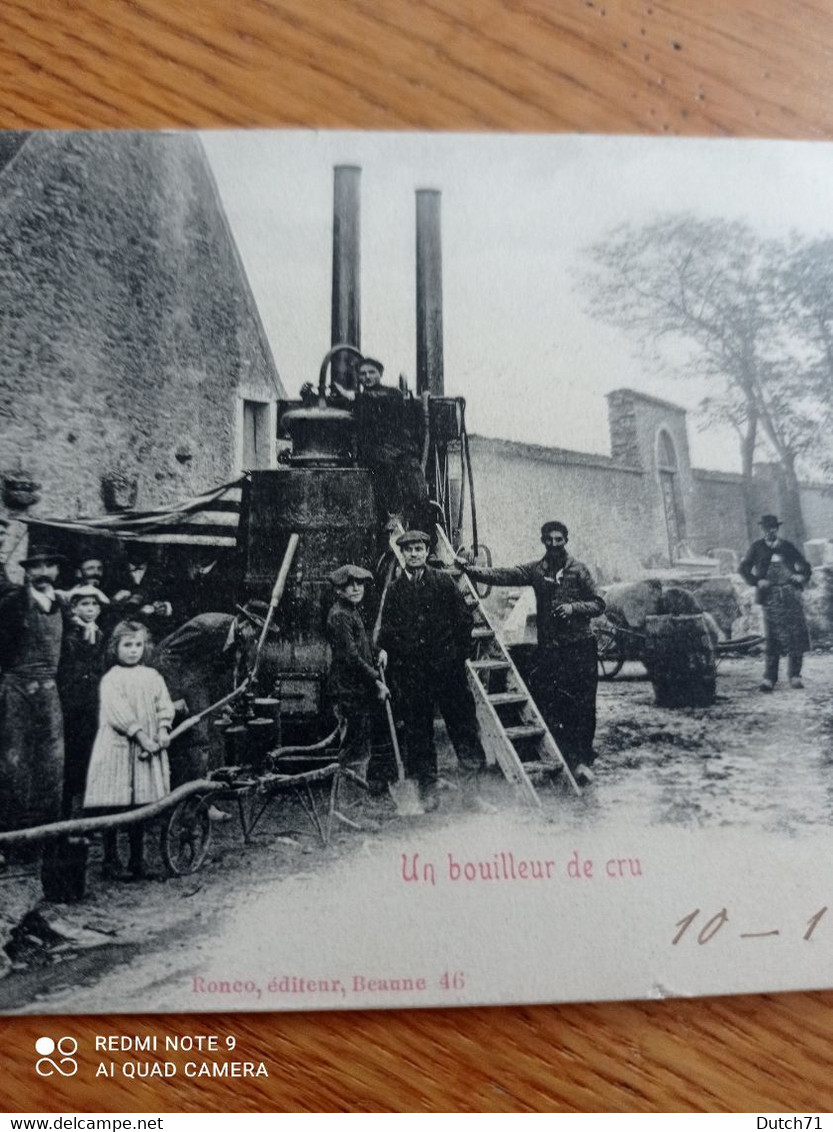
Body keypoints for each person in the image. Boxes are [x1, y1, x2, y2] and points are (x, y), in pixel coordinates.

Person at [457, 520, 605, 784]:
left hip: (581, 648)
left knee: (583, 706)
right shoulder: (537, 570)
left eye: (559, 540)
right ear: (543, 541)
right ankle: (561, 757)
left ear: (566, 541)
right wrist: (472, 571)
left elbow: (598, 603)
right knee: (556, 703)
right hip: (552, 650)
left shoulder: (580, 570)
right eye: (549, 540)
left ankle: (582, 761)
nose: (554, 544)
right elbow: (505, 575)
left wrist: (573, 609)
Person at [379, 530, 495, 814]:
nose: (414, 554)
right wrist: (384, 649)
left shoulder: (442, 583)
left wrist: (457, 658)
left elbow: (463, 620)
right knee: (419, 734)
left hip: (447, 673)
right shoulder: (395, 590)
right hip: (414, 676)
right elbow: (388, 628)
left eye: (419, 549)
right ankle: (427, 792)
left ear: (426, 551)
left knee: (464, 728)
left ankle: (472, 794)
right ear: (402, 554)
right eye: (408, 550)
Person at [84, 620, 175, 880]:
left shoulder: (152, 676)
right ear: (116, 647)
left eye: (137, 645)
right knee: (114, 804)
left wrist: (163, 729)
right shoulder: (112, 679)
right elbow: (118, 714)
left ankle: (138, 860)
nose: (133, 650)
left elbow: (164, 704)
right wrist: (141, 736)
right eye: (127, 645)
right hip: (119, 748)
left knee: (140, 806)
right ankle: (111, 860)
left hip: (146, 751)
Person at [0, 543, 69, 833]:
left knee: (52, 761)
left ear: (56, 570)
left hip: (49, 693)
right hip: (16, 690)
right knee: (13, 761)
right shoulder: (13, 603)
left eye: (48, 566)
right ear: (26, 572)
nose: (43, 572)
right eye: (35, 567)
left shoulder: (62, 604)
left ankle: (45, 832)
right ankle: (9, 833)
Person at [326, 564, 389, 780]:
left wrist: (378, 651)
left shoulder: (350, 610)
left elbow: (363, 644)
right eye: (348, 585)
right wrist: (376, 681)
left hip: (357, 691)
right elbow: (351, 657)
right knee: (354, 750)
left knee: (361, 746)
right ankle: (349, 802)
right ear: (338, 590)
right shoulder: (339, 615)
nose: (355, 588)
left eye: (359, 583)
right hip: (348, 692)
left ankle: (354, 800)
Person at [739, 514, 812, 692]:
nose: (771, 530)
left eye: (774, 527)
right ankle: (770, 678)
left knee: (796, 634)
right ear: (762, 529)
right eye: (767, 528)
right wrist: (757, 581)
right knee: (773, 637)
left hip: (790, 594)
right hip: (770, 596)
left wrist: (800, 575)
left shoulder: (787, 546)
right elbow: (744, 568)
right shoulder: (757, 548)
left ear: (777, 529)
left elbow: (804, 565)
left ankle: (795, 676)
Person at [58, 583, 110, 816]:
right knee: (72, 760)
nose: (90, 609)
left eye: (94, 604)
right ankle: (66, 814)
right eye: (84, 604)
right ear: (74, 608)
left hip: (92, 704)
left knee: (92, 758)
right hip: (71, 703)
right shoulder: (68, 634)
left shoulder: (98, 634)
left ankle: (89, 817)